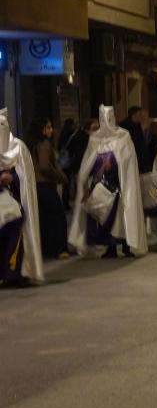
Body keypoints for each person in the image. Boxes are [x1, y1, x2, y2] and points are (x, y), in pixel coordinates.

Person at [69, 105, 149, 258]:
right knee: (104, 219)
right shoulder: (95, 138)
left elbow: (127, 161)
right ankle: (110, 247)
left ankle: (126, 245)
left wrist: (115, 163)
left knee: (122, 216)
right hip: (101, 185)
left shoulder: (123, 136)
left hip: (120, 185)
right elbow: (88, 162)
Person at [0, 109, 43, 287]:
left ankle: (16, 273)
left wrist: (13, 179)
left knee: (17, 237)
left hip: (16, 205)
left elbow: (25, 177)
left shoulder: (18, 147)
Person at [26, 118, 70, 259]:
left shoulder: (28, 144)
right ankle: (60, 249)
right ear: (42, 129)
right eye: (49, 127)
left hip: (33, 186)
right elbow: (45, 166)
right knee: (58, 218)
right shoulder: (44, 144)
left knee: (43, 219)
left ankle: (46, 248)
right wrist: (60, 177)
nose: (52, 130)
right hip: (45, 185)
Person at [119, 106, 149, 174]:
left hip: (139, 158)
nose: (142, 116)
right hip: (130, 158)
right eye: (140, 114)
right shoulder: (123, 126)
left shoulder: (138, 124)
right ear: (134, 115)